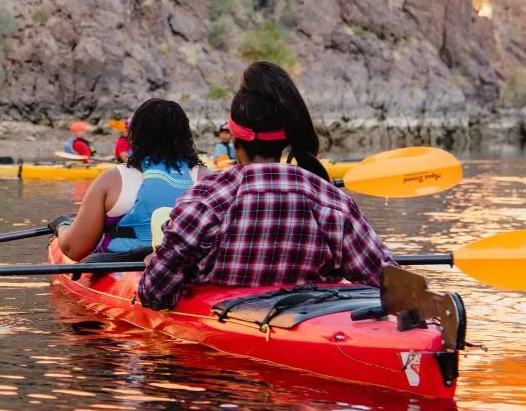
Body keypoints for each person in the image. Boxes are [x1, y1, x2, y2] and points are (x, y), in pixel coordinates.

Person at [138, 62, 394, 310]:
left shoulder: (207, 198)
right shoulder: (332, 200)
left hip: (222, 341)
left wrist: (155, 262)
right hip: (311, 330)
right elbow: (391, 287)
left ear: (236, 139)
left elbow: (154, 293)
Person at [51, 99, 210, 259]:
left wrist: (62, 226)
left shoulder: (112, 179)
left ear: (135, 134)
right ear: (186, 135)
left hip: (125, 269)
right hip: (191, 269)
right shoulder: (209, 178)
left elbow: (74, 250)